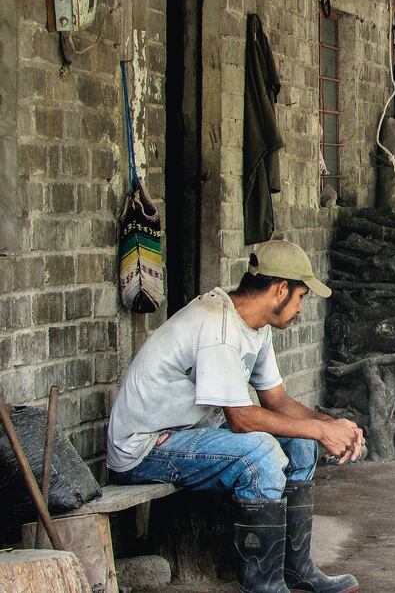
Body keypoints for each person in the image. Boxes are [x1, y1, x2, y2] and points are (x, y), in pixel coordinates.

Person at [107, 240, 363, 592]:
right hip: (145, 448)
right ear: (280, 289)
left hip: (188, 434)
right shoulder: (219, 325)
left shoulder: (256, 326)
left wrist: (329, 425)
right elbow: (241, 419)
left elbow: (276, 400)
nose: (301, 308)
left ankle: (297, 569)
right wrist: (321, 432)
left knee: (300, 443)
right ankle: (265, 587)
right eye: (301, 297)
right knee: (260, 453)